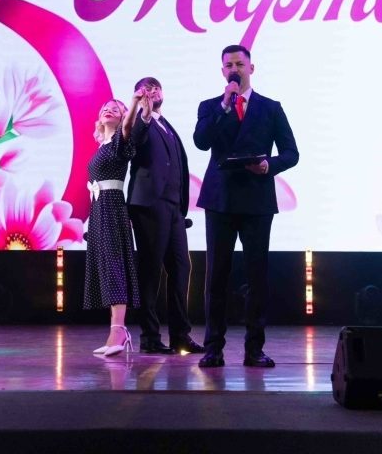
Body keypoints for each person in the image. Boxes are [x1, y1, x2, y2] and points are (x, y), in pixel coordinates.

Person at [192, 45, 298, 368]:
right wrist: (225, 105)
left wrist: (268, 166)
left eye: (240, 63)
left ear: (252, 68)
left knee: (256, 277)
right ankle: (213, 348)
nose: (234, 69)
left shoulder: (271, 108)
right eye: (228, 65)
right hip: (220, 200)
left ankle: (254, 349)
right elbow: (201, 141)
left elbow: (291, 153)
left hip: (256, 200)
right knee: (216, 276)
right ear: (222, 72)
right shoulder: (211, 106)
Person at [126, 78, 203, 355]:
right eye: (147, 88)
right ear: (139, 95)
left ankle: (180, 335)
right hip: (149, 205)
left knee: (181, 267)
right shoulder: (139, 122)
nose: (153, 91)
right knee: (150, 270)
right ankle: (149, 337)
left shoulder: (167, 125)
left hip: (173, 209)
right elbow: (133, 142)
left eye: (157, 87)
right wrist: (143, 115)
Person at [82, 98, 141, 358]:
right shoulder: (102, 145)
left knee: (114, 266)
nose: (108, 109)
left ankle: (118, 331)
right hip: (98, 208)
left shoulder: (120, 141)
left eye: (116, 109)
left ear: (123, 117)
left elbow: (128, 127)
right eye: (105, 107)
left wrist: (134, 102)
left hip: (112, 206)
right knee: (105, 267)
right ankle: (114, 331)